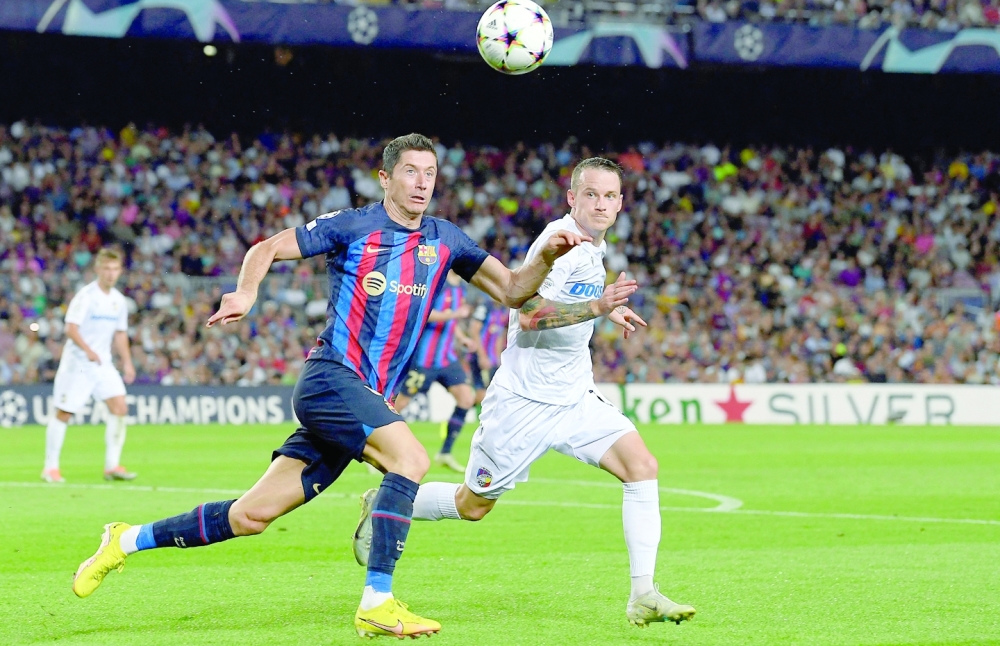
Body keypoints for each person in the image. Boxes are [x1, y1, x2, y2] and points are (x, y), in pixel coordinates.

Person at [70, 134, 638, 639]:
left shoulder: (446, 240)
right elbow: (265, 247)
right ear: (386, 179)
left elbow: (515, 291)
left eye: (431, 173)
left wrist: (545, 258)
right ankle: (377, 602)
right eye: (411, 172)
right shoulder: (354, 226)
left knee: (250, 516)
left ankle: (125, 539)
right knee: (411, 459)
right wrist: (245, 294)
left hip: (361, 397)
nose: (422, 183)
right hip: (330, 379)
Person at [353, 157, 696, 628]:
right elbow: (530, 316)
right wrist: (596, 306)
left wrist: (602, 312)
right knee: (472, 506)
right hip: (523, 403)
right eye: (590, 194)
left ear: (620, 203)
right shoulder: (560, 245)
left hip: (575, 397)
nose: (601, 204)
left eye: (610, 195)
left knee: (642, 467)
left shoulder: (593, 246)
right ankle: (388, 503)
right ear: (572, 198)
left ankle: (643, 594)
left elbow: (567, 302)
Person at [42, 247, 137, 483]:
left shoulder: (118, 301)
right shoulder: (86, 296)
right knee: (64, 412)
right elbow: (70, 328)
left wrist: (127, 363)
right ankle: (50, 467)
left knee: (120, 407)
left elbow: (120, 334)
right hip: (78, 363)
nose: (110, 274)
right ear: (98, 269)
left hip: (102, 363)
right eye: (106, 269)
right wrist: (88, 350)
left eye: (115, 269)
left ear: (120, 271)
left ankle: (112, 466)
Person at [393, 270, 477, 473]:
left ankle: (446, 452)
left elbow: (451, 322)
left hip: (447, 358)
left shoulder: (460, 286)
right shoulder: (437, 282)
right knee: (398, 406)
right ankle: (373, 447)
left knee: (466, 398)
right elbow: (425, 314)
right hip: (425, 360)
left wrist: (461, 337)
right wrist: (455, 314)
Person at [466, 296, 508, 405]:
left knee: (494, 394)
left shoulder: (503, 310)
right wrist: (482, 356)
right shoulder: (485, 307)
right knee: (482, 394)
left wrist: (498, 357)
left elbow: (500, 336)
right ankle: (471, 408)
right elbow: (474, 331)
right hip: (478, 357)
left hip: (493, 359)